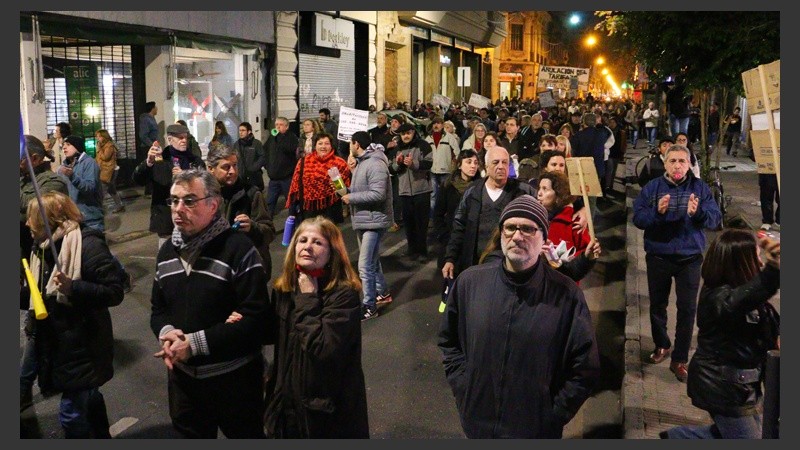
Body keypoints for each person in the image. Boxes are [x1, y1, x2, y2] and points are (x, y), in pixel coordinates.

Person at [438, 194, 601, 438]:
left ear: (544, 238)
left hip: (534, 431)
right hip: (477, 425)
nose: (517, 236)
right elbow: (449, 343)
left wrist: (552, 414)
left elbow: (585, 367)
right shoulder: (470, 283)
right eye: (510, 227)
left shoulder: (566, 295)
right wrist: (465, 391)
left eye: (527, 229)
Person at [150, 169, 271, 438]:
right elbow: (158, 310)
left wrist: (193, 344)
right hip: (183, 385)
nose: (179, 208)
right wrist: (166, 332)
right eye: (174, 200)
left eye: (189, 201)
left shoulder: (239, 249)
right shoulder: (166, 252)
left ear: (213, 205)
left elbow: (256, 319)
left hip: (235, 382)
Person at [22, 191, 124, 438]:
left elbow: (114, 291)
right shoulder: (42, 248)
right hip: (58, 344)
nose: (26, 223)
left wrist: (73, 287)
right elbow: (38, 296)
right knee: (89, 402)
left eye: (32, 217)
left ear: (52, 219)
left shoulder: (88, 244)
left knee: (72, 415)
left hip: (85, 345)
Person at [661, 230, 780, 439]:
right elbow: (739, 302)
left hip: (743, 387)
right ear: (739, 261)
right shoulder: (717, 298)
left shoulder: (746, 294)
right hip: (722, 387)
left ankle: (680, 437)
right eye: (755, 257)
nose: (760, 263)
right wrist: (772, 273)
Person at [262, 216, 369, 438]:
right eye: (302, 240)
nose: (308, 247)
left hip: (325, 414)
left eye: (317, 242)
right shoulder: (284, 289)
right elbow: (272, 336)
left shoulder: (343, 295)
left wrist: (308, 298)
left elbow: (323, 348)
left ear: (332, 253)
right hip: (286, 406)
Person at [633, 144, 722, 383]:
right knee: (657, 306)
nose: (677, 166)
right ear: (664, 163)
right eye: (672, 161)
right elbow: (638, 219)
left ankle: (680, 358)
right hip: (659, 257)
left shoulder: (700, 188)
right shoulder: (652, 188)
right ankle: (662, 344)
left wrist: (699, 213)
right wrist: (657, 213)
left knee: (687, 309)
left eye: (682, 161)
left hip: (689, 259)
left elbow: (715, 219)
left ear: (689, 163)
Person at [19, 135, 69, 413]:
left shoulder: (53, 182)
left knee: (35, 330)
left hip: (48, 267)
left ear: (35, 159)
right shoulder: (25, 180)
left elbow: (28, 207)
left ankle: (23, 388)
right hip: (28, 267)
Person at [441, 146, 535, 280]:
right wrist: (450, 258)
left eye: (505, 162)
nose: (501, 166)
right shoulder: (472, 191)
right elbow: (459, 227)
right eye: (496, 162)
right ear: (486, 166)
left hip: (509, 267)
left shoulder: (523, 192)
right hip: (475, 265)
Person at [339, 131, 394, 320]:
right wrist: (344, 190)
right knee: (372, 261)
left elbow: (378, 194)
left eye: (350, 145)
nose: (349, 149)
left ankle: (369, 305)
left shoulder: (375, 164)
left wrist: (351, 197)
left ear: (356, 144)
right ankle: (383, 292)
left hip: (374, 221)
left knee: (364, 265)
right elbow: (360, 190)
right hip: (364, 219)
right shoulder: (362, 163)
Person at [206, 144, 276, 277]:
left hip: (247, 271)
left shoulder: (251, 194)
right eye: (226, 167)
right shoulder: (203, 196)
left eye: (235, 165)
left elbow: (269, 232)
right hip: (216, 271)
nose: (232, 171)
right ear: (211, 169)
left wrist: (252, 227)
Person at [133, 123, 206, 250]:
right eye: (180, 138)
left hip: (191, 220)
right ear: (170, 139)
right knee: (167, 261)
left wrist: (185, 177)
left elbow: (205, 187)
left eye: (185, 137)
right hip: (166, 221)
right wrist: (149, 162)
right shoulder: (160, 160)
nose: (184, 141)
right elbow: (138, 180)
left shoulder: (195, 161)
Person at [285, 132, 351, 224]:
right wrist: (292, 209)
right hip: (308, 209)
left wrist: (337, 184)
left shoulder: (340, 163)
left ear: (331, 146)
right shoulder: (304, 161)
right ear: (315, 145)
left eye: (327, 143)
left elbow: (346, 189)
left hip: (331, 209)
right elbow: (295, 184)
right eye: (320, 143)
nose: (323, 146)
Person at [391, 122, 434, 261]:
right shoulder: (397, 149)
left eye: (408, 133)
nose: (406, 136)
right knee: (409, 223)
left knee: (421, 223)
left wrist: (413, 164)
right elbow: (391, 168)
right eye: (403, 134)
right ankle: (411, 249)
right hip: (404, 191)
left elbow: (429, 163)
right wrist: (398, 164)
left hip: (421, 190)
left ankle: (422, 252)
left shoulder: (423, 145)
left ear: (413, 132)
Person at [432, 149, 480, 269]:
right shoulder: (448, 186)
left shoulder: (480, 186)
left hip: (472, 240)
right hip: (451, 239)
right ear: (459, 165)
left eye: (475, 162)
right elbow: (438, 214)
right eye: (469, 162)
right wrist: (444, 236)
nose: (473, 166)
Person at [537, 171, 591, 271]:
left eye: (545, 189)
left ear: (558, 195)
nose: (539, 193)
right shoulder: (535, 217)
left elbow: (585, 253)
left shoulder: (574, 221)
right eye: (539, 188)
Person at [58, 135, 105, 232]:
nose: (64, 147)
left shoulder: (89, 163)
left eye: (68, 144)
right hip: (71, 220)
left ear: (77, 147)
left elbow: (90, 188)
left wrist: (73, 177)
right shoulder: (62, 168)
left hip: (90, 220)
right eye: (63, 145)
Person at [264, 116, 299, 217]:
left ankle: (292, 222)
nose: (278, 127)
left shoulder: (291, 137)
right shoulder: (272, 138)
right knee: (270, 202)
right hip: (274, 178)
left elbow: (288, 149)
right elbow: (265, 151)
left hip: (286, 178)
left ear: (286, 127)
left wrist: (279, 136)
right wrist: (268, 166)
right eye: (276, 125)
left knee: (291, 202)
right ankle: (268, 222)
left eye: (280, 125)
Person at [426, 116, 461, 214]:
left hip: (445, 170)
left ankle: (445, 215)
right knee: (433, 195)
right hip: (432, 170)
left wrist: (455, 164)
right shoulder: (428, 138)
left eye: (438, 123)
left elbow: (457, 151)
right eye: (434, 123)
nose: (436, 125)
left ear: (442, 125)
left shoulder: (449, 137)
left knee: (445, 194)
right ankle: (433, 216)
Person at [94, 129, 125, 213]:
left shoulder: (109, 145)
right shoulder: (102, 145)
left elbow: (105, 157)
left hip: (109, 170)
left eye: (99, 136)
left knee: (102, 190)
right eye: (97, 136)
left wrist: (99, 149)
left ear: (104, 136)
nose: (97, 138)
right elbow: (98, 158)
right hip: (104, 169)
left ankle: (98, 210)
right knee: (111, 189)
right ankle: (120, 205)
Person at [235, 121, 266, 191]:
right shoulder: (237, 144)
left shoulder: (256, 143)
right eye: (239, 130)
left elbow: (263, 157)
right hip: (241, 177)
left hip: (254, 177)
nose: (240, 132)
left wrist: (254, 167)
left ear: (249, 132)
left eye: (243, 130)